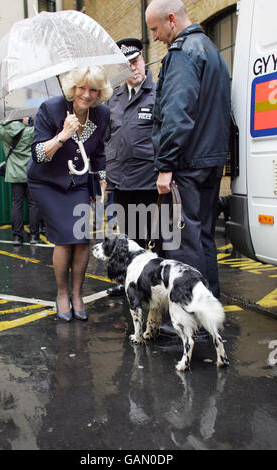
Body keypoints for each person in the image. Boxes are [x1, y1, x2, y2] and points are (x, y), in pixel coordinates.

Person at [145, 0, 231, 299]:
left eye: (155, 29)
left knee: (183, 240)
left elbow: (177, 114)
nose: (155, 37)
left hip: (187, 163)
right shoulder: (210, 50)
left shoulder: (182, 54)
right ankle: (209, 306)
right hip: (210, 159)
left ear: (171, 19)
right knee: (203, 236)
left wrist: (165, 165)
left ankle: (189, 312)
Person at [27, 66, 112, 322]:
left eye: (93, 90)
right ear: (72, 88)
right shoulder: (50, 109)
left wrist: (102, 185)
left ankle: (77, 294)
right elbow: (38, 155)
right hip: (47, 183)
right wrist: (64, 134)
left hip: (79, 181)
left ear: (100, 92)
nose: (86, 95)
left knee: (82, 237)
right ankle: (62, 294)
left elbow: (98, 153)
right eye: (81, 88)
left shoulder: (102, 114)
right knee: (65, 237)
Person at [105, 38, 158, 296]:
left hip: (149, 181)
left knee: (151, 236)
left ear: (143, 60)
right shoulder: (113, 99)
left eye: (135, 62)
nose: (133, 68)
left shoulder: (158, 93)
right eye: (126, 65)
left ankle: (149, 284)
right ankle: (127, 282)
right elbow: (105, 136)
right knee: (127, 236)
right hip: (121, 181)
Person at [0, 118, 41, 246]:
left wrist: (8, 119)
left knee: (17, 204)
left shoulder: (5, 131)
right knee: (33, 204)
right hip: (31, 173)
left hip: (14, 174)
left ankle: (17, 237)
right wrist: (30, 122)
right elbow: (42, 130)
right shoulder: (31, 131)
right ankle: (34, 236)